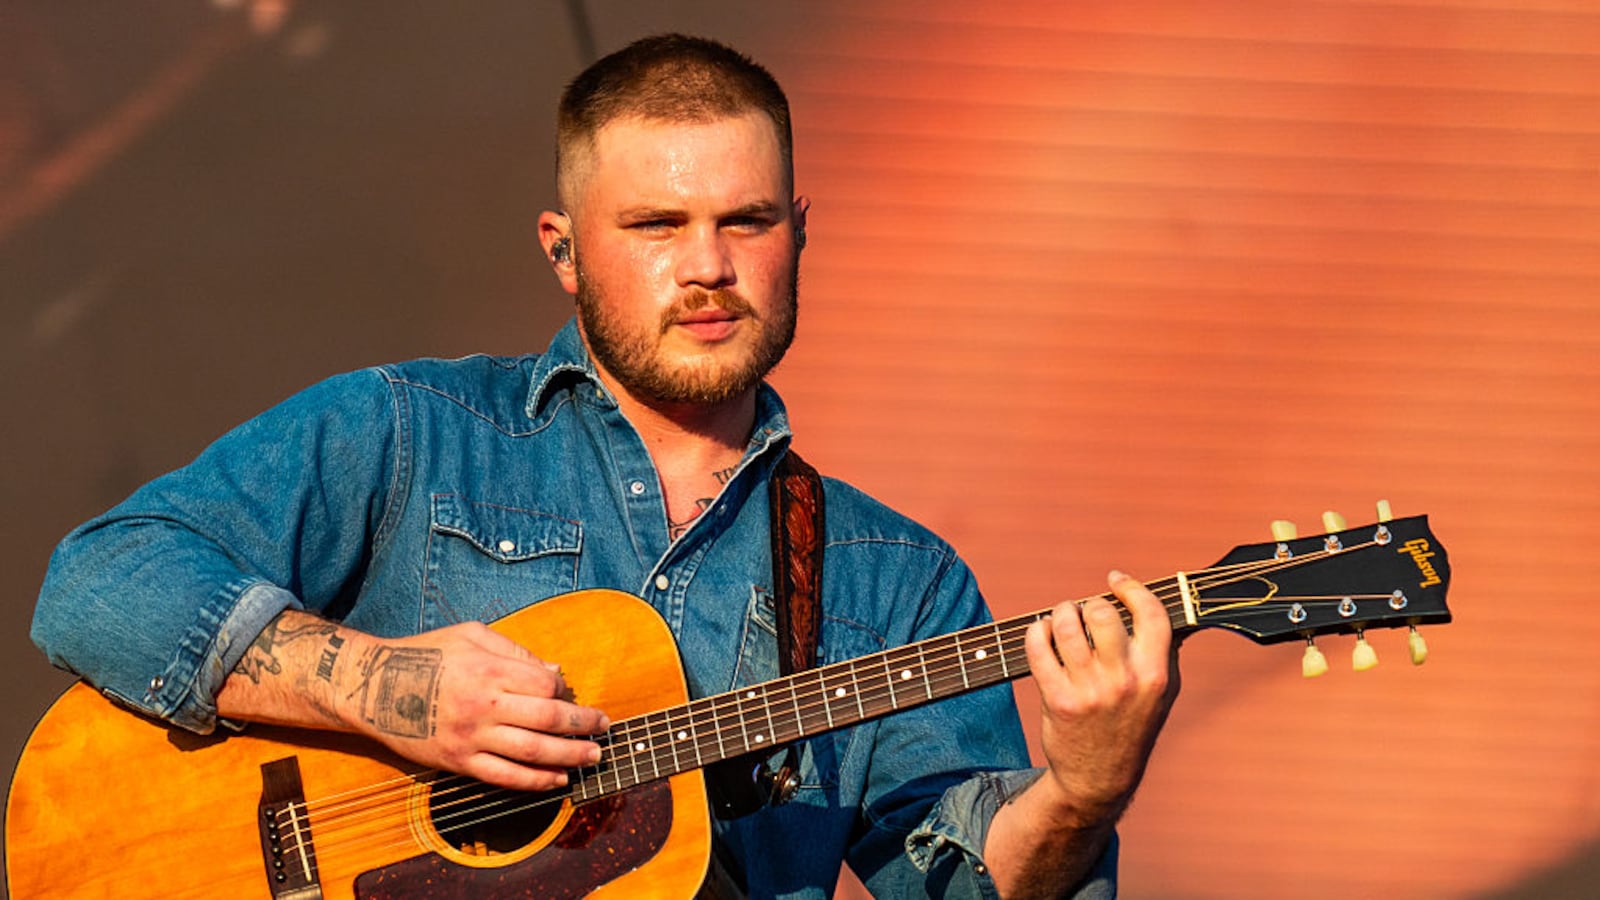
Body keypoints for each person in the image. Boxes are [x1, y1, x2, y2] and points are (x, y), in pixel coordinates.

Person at [32, 34, 1177, 899]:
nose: (707, 266)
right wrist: (381, 687)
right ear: (564, 250)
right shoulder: (406, 430)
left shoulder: (896, 581)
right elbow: (98, 581)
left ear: (799, 233)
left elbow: (965, 884)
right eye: (655, 226)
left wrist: (1082, 791)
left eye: (746, 221)